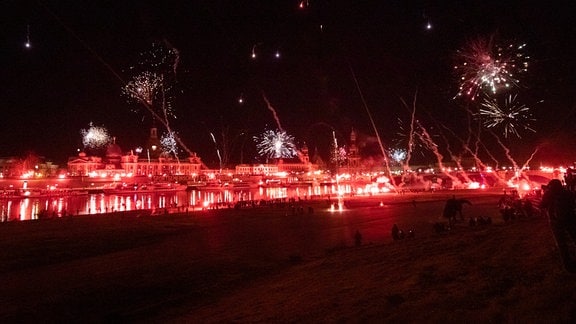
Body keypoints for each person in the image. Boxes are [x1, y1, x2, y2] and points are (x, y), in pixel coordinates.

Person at [540, 179, 576, 273]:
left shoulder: (549, 194)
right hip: (570, 219)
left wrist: (545, 194)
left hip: (555, 221)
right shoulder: (568, 193)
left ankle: (568, 266)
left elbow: (542, 205)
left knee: (562, 244)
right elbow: (573, 203)